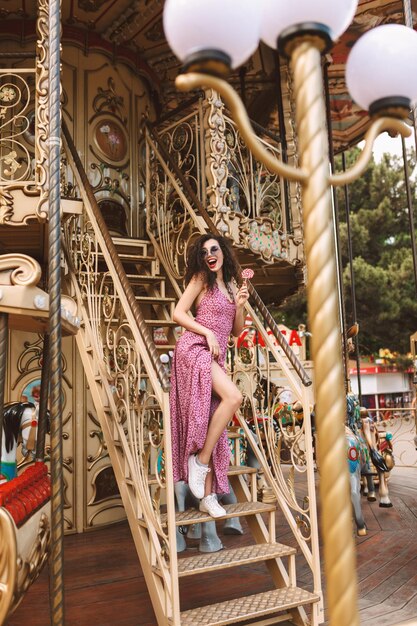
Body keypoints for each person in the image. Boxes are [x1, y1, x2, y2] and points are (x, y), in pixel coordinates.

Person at [170, 234, 249, 518]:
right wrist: (206, 332)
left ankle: (208, 494)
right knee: (234, 396)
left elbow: (237, 331)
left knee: (215, 416)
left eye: (214, 249)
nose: (210, 254)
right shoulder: (201, 278)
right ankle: (200, 461)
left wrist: (239, 305)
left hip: (216, 357)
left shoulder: (229, 285)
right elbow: (178, 313)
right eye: (204, 252)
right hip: (195, 348)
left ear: (224, 252)